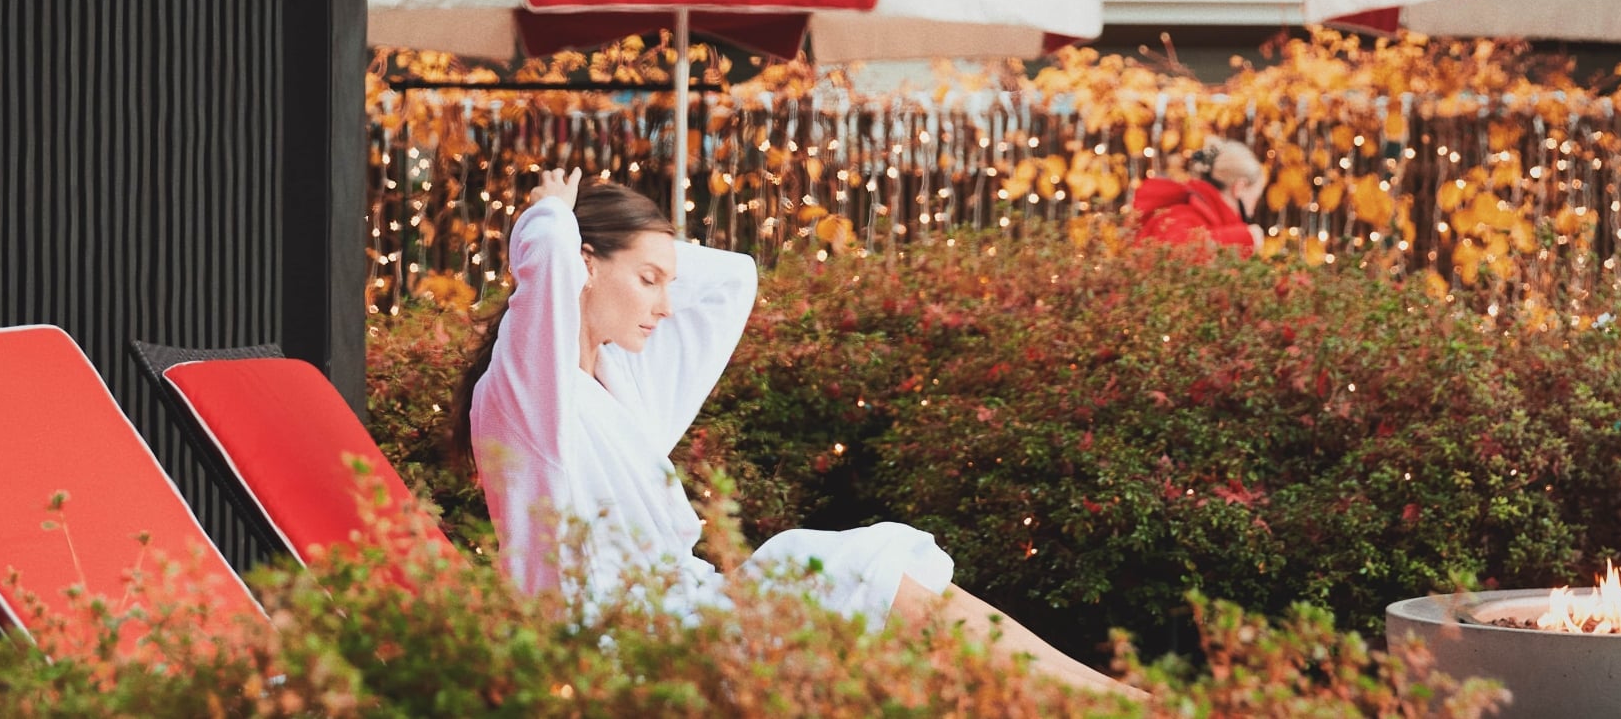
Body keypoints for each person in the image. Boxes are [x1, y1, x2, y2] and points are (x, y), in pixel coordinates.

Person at [451, 168, 1140, 698]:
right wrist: (551, 218)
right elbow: (540, 279)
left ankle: (1115, 702)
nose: (665, 305)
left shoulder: (619, 391)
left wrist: (644, 253)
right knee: (850, 572)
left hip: (690, 612)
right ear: (582, 266)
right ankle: (1121, 706)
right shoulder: (527, 398)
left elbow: (730, 282)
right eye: (650, 280)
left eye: (668, 283)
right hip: (629, 647)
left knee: (879, 579)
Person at [1132, 138, 1267, 256]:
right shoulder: (1183, 212)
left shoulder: (1208, 216)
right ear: (1239, 187)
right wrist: (1243, 238)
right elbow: (1177, 253)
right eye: (1255, 197)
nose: (1252, 210)